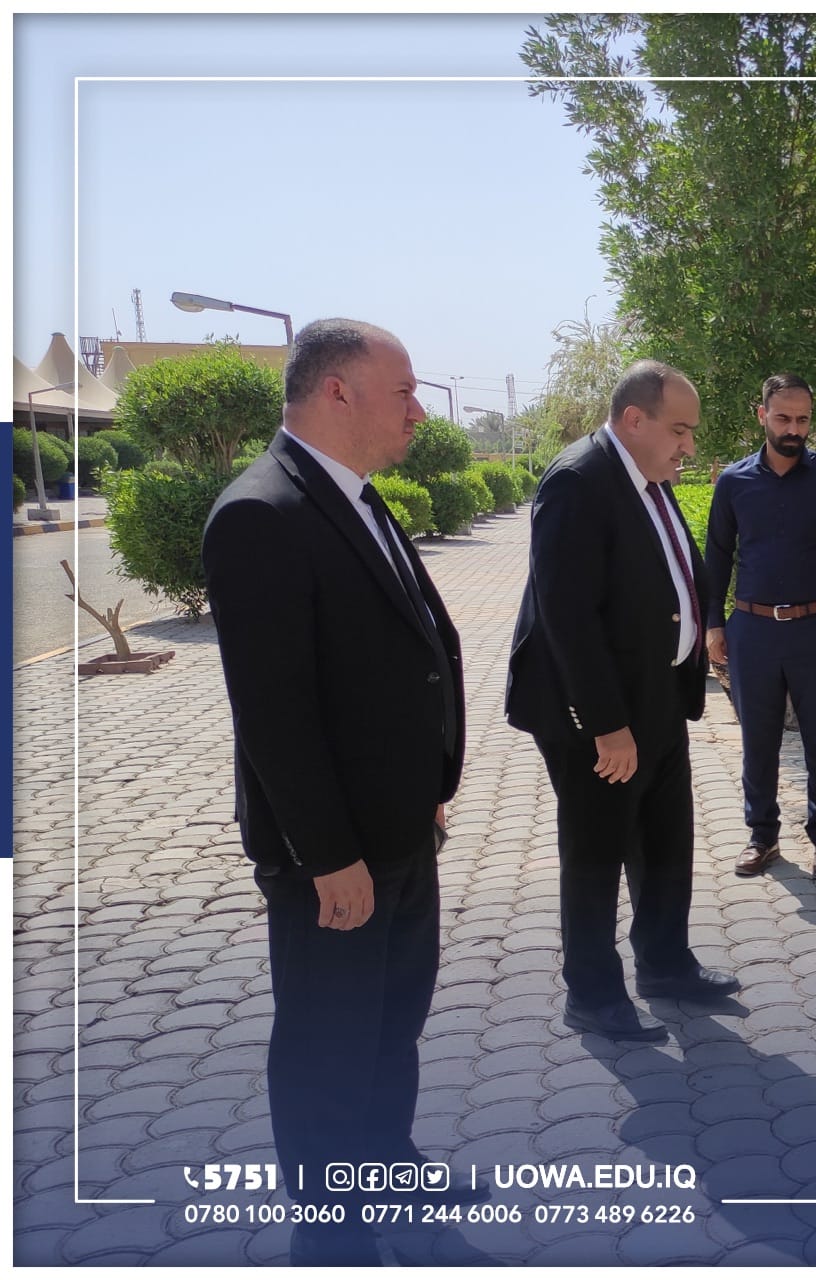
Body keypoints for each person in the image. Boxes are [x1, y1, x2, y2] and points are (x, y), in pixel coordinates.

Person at [202, 319, 471, 1265]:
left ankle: (386, 1172)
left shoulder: (354, 496)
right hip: (337, 857)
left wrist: (427, 786)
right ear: (338, 391)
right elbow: (274, 714)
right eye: (404, 391)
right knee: (328, 1046)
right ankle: (331, 1238)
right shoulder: (260, 513)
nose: (418, 410)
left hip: (400, 831)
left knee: (392, 1024)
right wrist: (329, 856)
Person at [505, 360, 740, 1046]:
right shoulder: (579, 481)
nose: (688, 446)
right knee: (596, 851)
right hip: (597, 714)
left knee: (666, 839)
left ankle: (665, 964)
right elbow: (567, 617)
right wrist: (607, 726)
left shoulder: (647, 477)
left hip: (657, 696)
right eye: (680, 430)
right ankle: (593, 994)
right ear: (634, 419)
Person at [704, 374, 816, 880]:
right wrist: (714, 623)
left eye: (802, 419)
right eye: (783, 418)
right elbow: (717, 556)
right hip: (752, 631)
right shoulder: (734, 482)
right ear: (762, 416)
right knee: (758, 742)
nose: (793, 429)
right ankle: (762, 836)